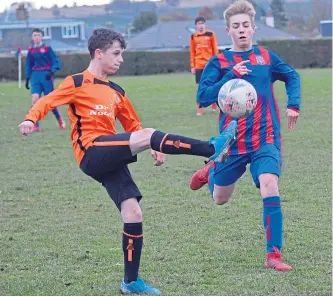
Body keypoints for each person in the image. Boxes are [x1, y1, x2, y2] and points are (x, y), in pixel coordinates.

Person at [19, 28, 238, 295]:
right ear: (98, 53)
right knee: (147, 136)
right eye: (116, 53)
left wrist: (155, 147)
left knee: (133, 213)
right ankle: (211, 148)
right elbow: (47, 100)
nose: (120, 59)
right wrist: (31, 118)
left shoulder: (116, 91)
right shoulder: (76, 82)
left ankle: (130, 282)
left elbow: (133, 123)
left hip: (110, 154)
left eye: (121, 53)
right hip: (91, 151)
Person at [190, 0, 301, 271]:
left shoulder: (266, 57)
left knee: (270, 185)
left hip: (266, 139)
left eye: (246, 26)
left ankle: (273, 255)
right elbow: (203, 97)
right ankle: (212, 170)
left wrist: (293, 104)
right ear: (228, 31)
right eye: (236, 26)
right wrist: (230, 74)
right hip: (232, 143)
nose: (241, 30)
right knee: (220, 199)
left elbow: (292, 76)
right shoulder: (219, 61)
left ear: (253, 28)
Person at [25, 28, 66, 132]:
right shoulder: (30, 50)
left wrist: (51, 72)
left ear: (42, 37)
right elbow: (28, 65)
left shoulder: (47, 48)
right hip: (35, 76)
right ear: (32, 37)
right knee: (35, 99)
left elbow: (55, 60)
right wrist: (27, 78)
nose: (36, 37)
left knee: (50, 102)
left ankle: (60, 120)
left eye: (38, 35)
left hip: (46, 76)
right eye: (35, 35)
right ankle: (35, 125)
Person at [190, 16, 219, 116]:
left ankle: (214, 103)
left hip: (210, 65)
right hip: (198, 65)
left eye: (202, 23)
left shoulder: (211, 34)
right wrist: (192, 66)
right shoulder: (193, 36)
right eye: (199, 23)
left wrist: (217, 63)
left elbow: (215, 50)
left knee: (212, 85)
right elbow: (192, 52)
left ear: (205, 24)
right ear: (196, 25)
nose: (201, 25)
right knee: (200, 88)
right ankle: (200, 108)